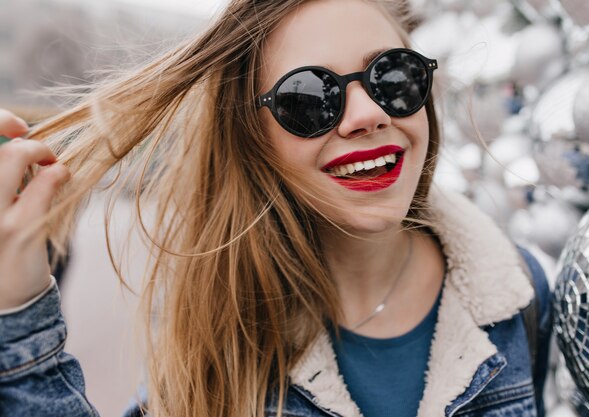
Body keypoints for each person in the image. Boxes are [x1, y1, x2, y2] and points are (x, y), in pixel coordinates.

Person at [0, 0, 552, 416]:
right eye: (311, 97)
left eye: (392, 75)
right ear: (253, 141)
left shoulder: (522, 297)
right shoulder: (218, 345)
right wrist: (18, 310)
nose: (367, 113)